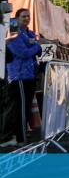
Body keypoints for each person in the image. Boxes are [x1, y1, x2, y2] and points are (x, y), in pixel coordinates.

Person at [3, 9, 41, 147]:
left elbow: (38, 48)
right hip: (19, 76)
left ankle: (20, 136)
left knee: (24, 108)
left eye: (28, 16)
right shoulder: (14, 32)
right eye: (23, 16)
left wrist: (36, 46)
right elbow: (23, 53)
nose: (26, 18)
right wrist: (36, 47)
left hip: (29, 75)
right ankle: (21, 139)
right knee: (21, 108)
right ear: (17, 18)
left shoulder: (29, 32)